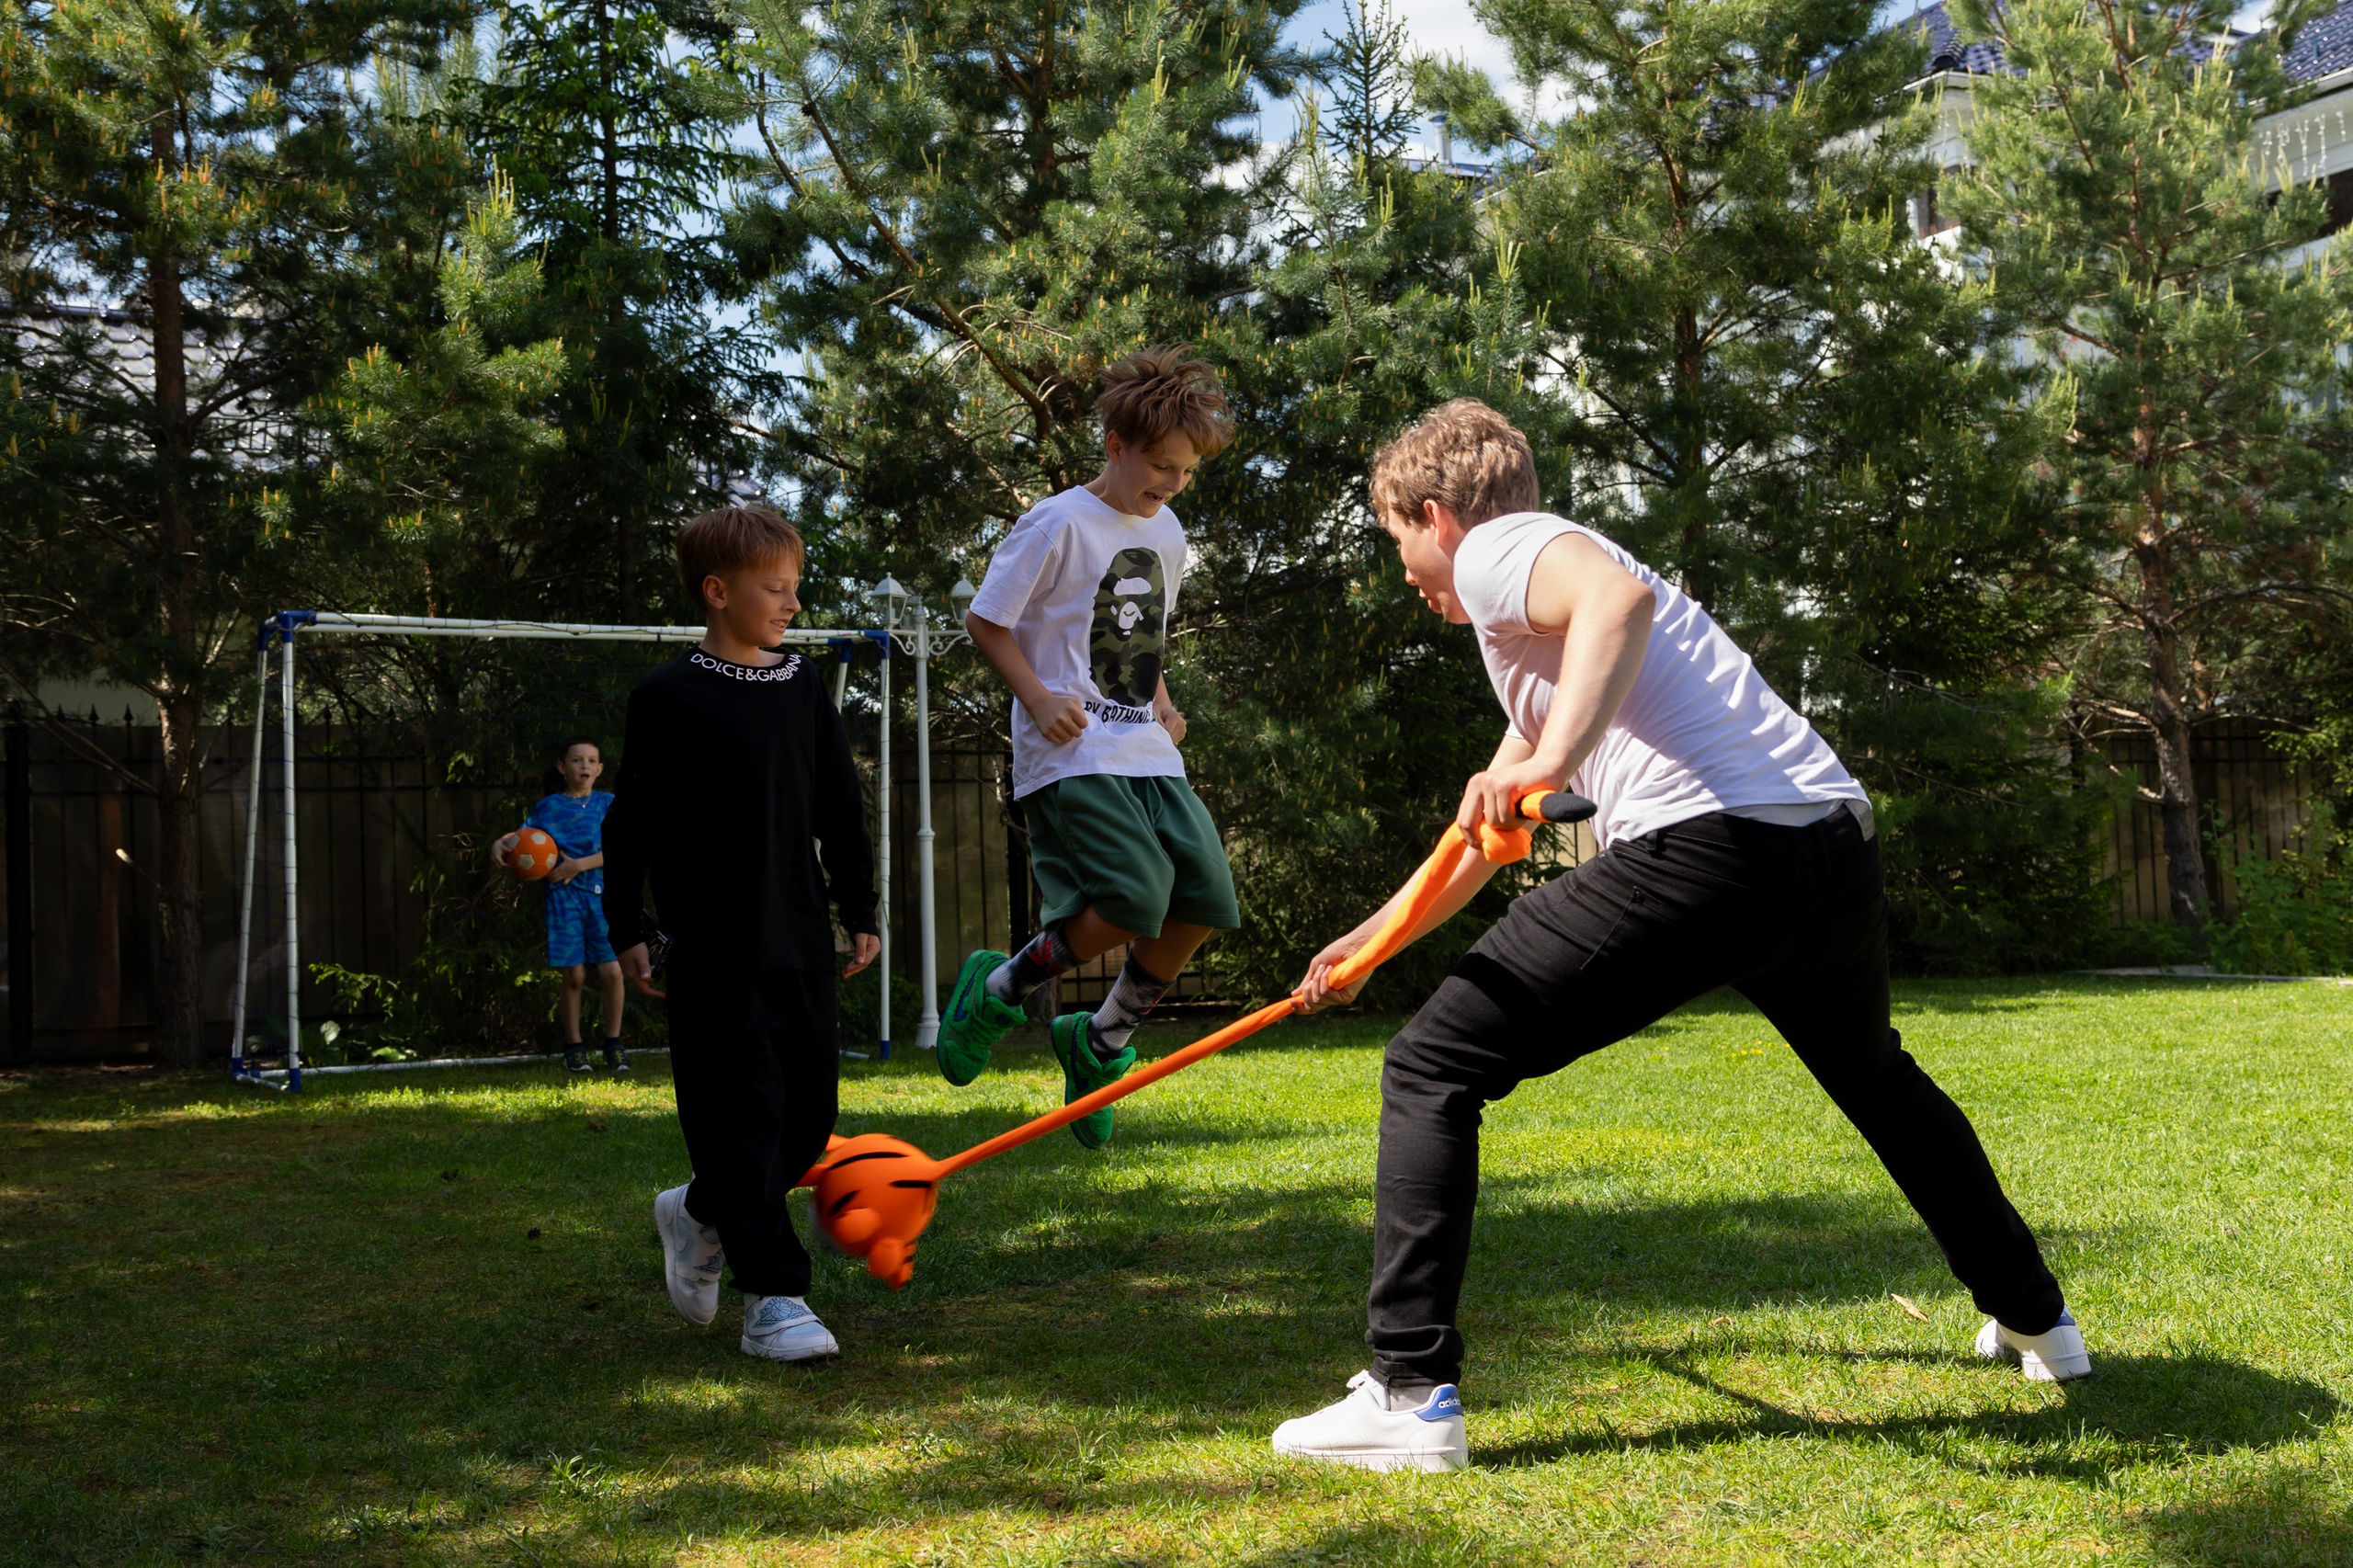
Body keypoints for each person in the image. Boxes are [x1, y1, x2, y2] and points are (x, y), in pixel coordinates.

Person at [1269, 400, 2088, 1473]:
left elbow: (1617, 600)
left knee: (1431, 1063)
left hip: (1717, 848)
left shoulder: (1502, 550)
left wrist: (1553, 764)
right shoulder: (1547, 651)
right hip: (1826, 843)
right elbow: (1483, 831)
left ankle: (1407, 1391)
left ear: (1433, 514)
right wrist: (1371, 940)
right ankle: (2039, 1321)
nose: (1409, 574)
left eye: (1398, 546)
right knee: (1875, 1076)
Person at [933, 347, 1241, 1148]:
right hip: (1072, 753)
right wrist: (1036, 700)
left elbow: (1142, 633)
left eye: (1184, 471)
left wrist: (1164, 700)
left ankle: (1098, 1039)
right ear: (1115, 445)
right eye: (1161, 467)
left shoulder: (1167, 531)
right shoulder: (1055, 522)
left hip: (1146, 748)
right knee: (1136, 898)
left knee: (1204, 896)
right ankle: (997, 988)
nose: (1172, 484)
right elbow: (986, 619)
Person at [601, 506, 881, 1364]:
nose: (792, 603)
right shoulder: (666, 697)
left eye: (796, 587)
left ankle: (697, 1212)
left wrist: (860, 909)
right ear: (718, 592)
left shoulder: (802, 690)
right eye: (775, 588)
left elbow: (840, 806)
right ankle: (776, 1300)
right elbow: (632, 820)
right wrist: (626, 923)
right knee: (745, 1114)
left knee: (805, 1120)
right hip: (713, 943)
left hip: (798, 934)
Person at [494, 739, 626, 1073]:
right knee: (575, 976)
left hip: (602, 898)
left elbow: (624, 850)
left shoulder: (610, 804)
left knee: (612, 972)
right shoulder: (548, 808)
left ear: (599, 769)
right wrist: (500, 842)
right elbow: (521, 838)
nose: (584, 766)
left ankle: (614, 1045)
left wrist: (578, 865)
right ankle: (575, 1047)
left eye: (591, 760)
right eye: (576, 760)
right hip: (563, 900)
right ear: (562, 767)